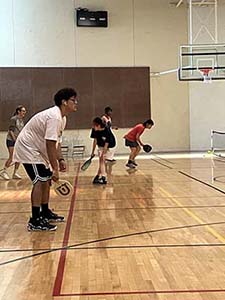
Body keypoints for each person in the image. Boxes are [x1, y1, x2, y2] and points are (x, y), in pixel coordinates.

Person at [13, 88, 78, 231]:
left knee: (46, 181)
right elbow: (49, 143)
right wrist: (54, 169)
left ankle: (45, 212)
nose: (76, 102)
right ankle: (35, 220)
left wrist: (60, 159)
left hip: (38, 151)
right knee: (40, 181)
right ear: (64, 102)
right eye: (73, 100)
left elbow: (57, 142)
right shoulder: (54, 116)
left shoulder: (62, 118)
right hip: (28, 149)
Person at [0, 105, 27, 180]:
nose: (25, 112)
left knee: (18, 158)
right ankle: (4, 171)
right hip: (11, 141)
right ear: (19, 111)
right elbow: (11, 131)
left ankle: (15, 173)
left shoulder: (22, 120)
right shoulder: (14, 119)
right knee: (12, 157)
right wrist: (15, 140)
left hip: (18, 141)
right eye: (23, 111)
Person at [90, 117, 116, 184]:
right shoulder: (94, 130)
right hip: (100, 145)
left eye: (94, 126)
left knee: (102, 160)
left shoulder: (107, 130)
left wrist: (104, 152)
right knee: (102, 161)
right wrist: (92, 152)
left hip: (110, 145)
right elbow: (95, 141)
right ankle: (100, 176)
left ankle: (102, 177)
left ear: (99, 125)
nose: (93, 127)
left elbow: (107, 143)